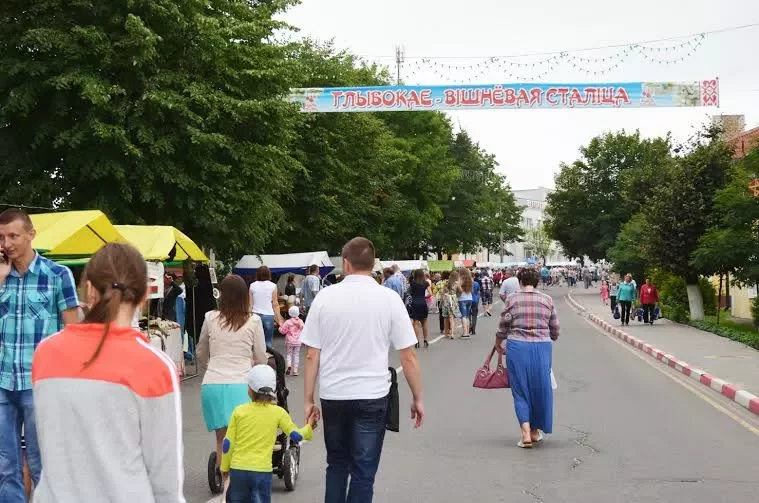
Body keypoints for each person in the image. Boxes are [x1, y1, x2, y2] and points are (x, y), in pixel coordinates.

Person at [31, 243, 185, 502]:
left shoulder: (45, 353)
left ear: (89, 289)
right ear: (144, 295)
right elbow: (166, 479)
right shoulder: (154, 366)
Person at [302, 237, 424, 503]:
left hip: (333, 394)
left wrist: (308, 399)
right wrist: (417, 398)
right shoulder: (389, 299)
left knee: (336, 464)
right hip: (372, 395)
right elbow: (409, 355)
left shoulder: (325, 298)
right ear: (373, 264)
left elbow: (312, 354)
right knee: (363, 472)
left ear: (345, 263)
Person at [0, 208, 80, 502]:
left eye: (13, 235)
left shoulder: (58, 275)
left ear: (31, 235)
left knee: (41, 463)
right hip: (3, 383)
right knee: (5, 465)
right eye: (1, 237)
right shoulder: (0, 276)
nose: (6, 243)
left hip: (41, 384)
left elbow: (74, 333)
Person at [198, 274, 268, 479]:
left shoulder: (210, 318)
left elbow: (201, 351)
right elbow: (261, 355)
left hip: (213, 383)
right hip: (242, 384)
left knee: (222, 438)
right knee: (243, 438)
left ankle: (227, 481)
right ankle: (242, 479)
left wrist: (209, 367)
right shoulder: (253, 321)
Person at [221, 365, 316, 503]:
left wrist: (224, 467)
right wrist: (309, 426)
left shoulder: (239, 412)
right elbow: (296, 436)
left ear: (250, 390)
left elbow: (227, 443)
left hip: (238, 471)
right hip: (262, 472)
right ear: (273, 390)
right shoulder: (278, 412)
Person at [495, 268, 559, 449]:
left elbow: (503, 325)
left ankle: (525, 433)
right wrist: (549, 335)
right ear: (537, 282)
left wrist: (498, 342)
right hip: (542, 348)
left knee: (520, 390)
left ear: (520, 281)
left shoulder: (512, 299)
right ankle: (536, 431)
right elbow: (555, 328)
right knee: (540, 387)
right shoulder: (547, 300)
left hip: (517, 347)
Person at [249, 266, 285, 347]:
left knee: (256, 341)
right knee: (268, 341)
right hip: (268, 315)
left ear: (257, 274)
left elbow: (250, 304)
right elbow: (275, 304)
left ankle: (256, 357)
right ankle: (267, 357)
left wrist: (247, 316)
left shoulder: (252, 285)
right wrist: (279, 318)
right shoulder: (273, 286)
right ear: (269, 274)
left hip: (255, 315)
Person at [279, 306, 305, 375]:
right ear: (298, 313)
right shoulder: (301, 322)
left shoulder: (287, 322)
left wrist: (280, 328)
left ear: (289, 313)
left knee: (289, 354)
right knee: (296, 355)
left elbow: (283, 331)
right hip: (298, 342)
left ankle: (289, 365)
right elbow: (304, 330)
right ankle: (295, 371)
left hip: (289, 342)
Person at [409, 269, 431, 349]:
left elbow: (409, 293)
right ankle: (425, 340)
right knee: (424, 322)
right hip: (423, 302)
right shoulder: (426, 283)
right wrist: (424, 297)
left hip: (414, 303)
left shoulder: (412, 283)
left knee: (415, 322)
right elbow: (430, 293)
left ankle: (417, 341)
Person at [458, 268, 474, 339]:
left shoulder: (461, 280)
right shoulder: (470, 280)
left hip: (462, 299)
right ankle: (467, 332)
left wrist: (458, 286)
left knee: (463, 316)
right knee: (467, 316)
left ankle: (465, 333)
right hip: (469, 298)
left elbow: (460, 290)